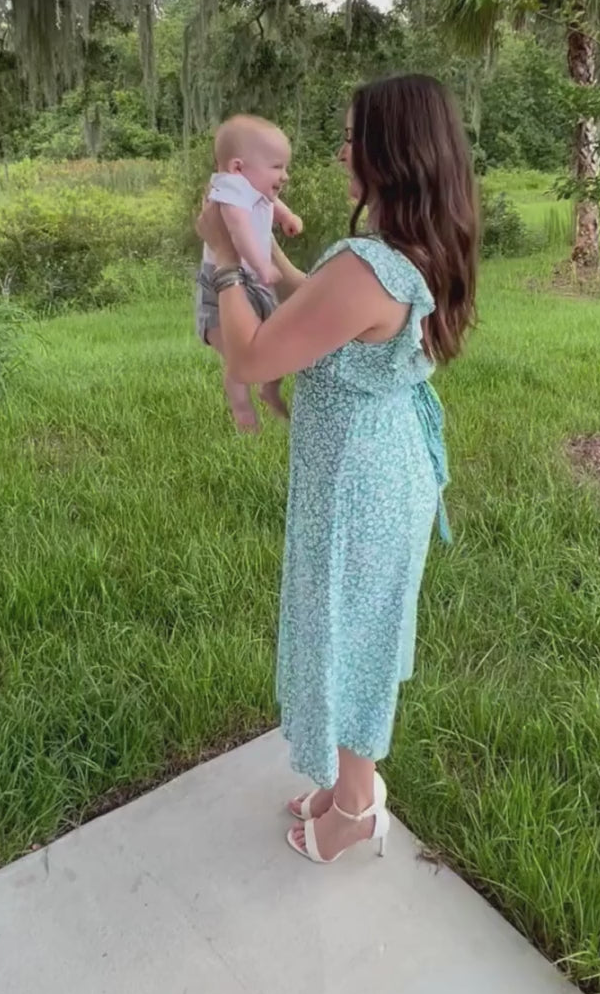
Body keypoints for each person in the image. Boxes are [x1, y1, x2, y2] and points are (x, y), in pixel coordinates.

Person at [196, 73, 478, 864]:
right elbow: (310, 300)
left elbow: (251, 356)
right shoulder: (405, 248)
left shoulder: (367, 266)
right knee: (357, 625)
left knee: (350, 633)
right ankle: (344, 785)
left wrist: (223, 262)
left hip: (360, 481)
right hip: (380, 464)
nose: (342, 150)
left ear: (393, 151)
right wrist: (267, 258)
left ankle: (355, 807)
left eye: (355, 137)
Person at [195, 114, 303, 431]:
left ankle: (269, 389)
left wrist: (286, 216)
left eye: (285, 167)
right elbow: (240, 232)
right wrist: (263, 266)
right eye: (276, 166)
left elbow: (271, 203)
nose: (284, 175)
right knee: (238, 357)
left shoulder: (252, 189)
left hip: (252, 281)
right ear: (238, 167)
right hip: (224, 283)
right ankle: (242, 411)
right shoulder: (229, 189)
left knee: (274, 341)